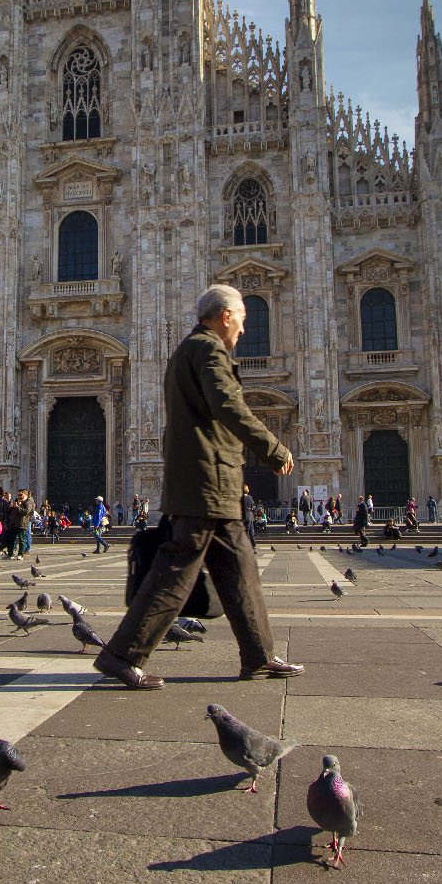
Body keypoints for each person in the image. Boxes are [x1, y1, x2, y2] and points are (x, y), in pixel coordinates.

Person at [97, 284, 301, 690]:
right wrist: (273, 448)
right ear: (225, 316)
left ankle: (258, 655)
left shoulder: (189, 350)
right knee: (176, 571)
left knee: (240, 569)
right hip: (206, 480)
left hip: (213, 480)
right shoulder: (208, 350)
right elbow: (228, 404)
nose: (243, 330)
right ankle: (122, 655)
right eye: (242, 320)